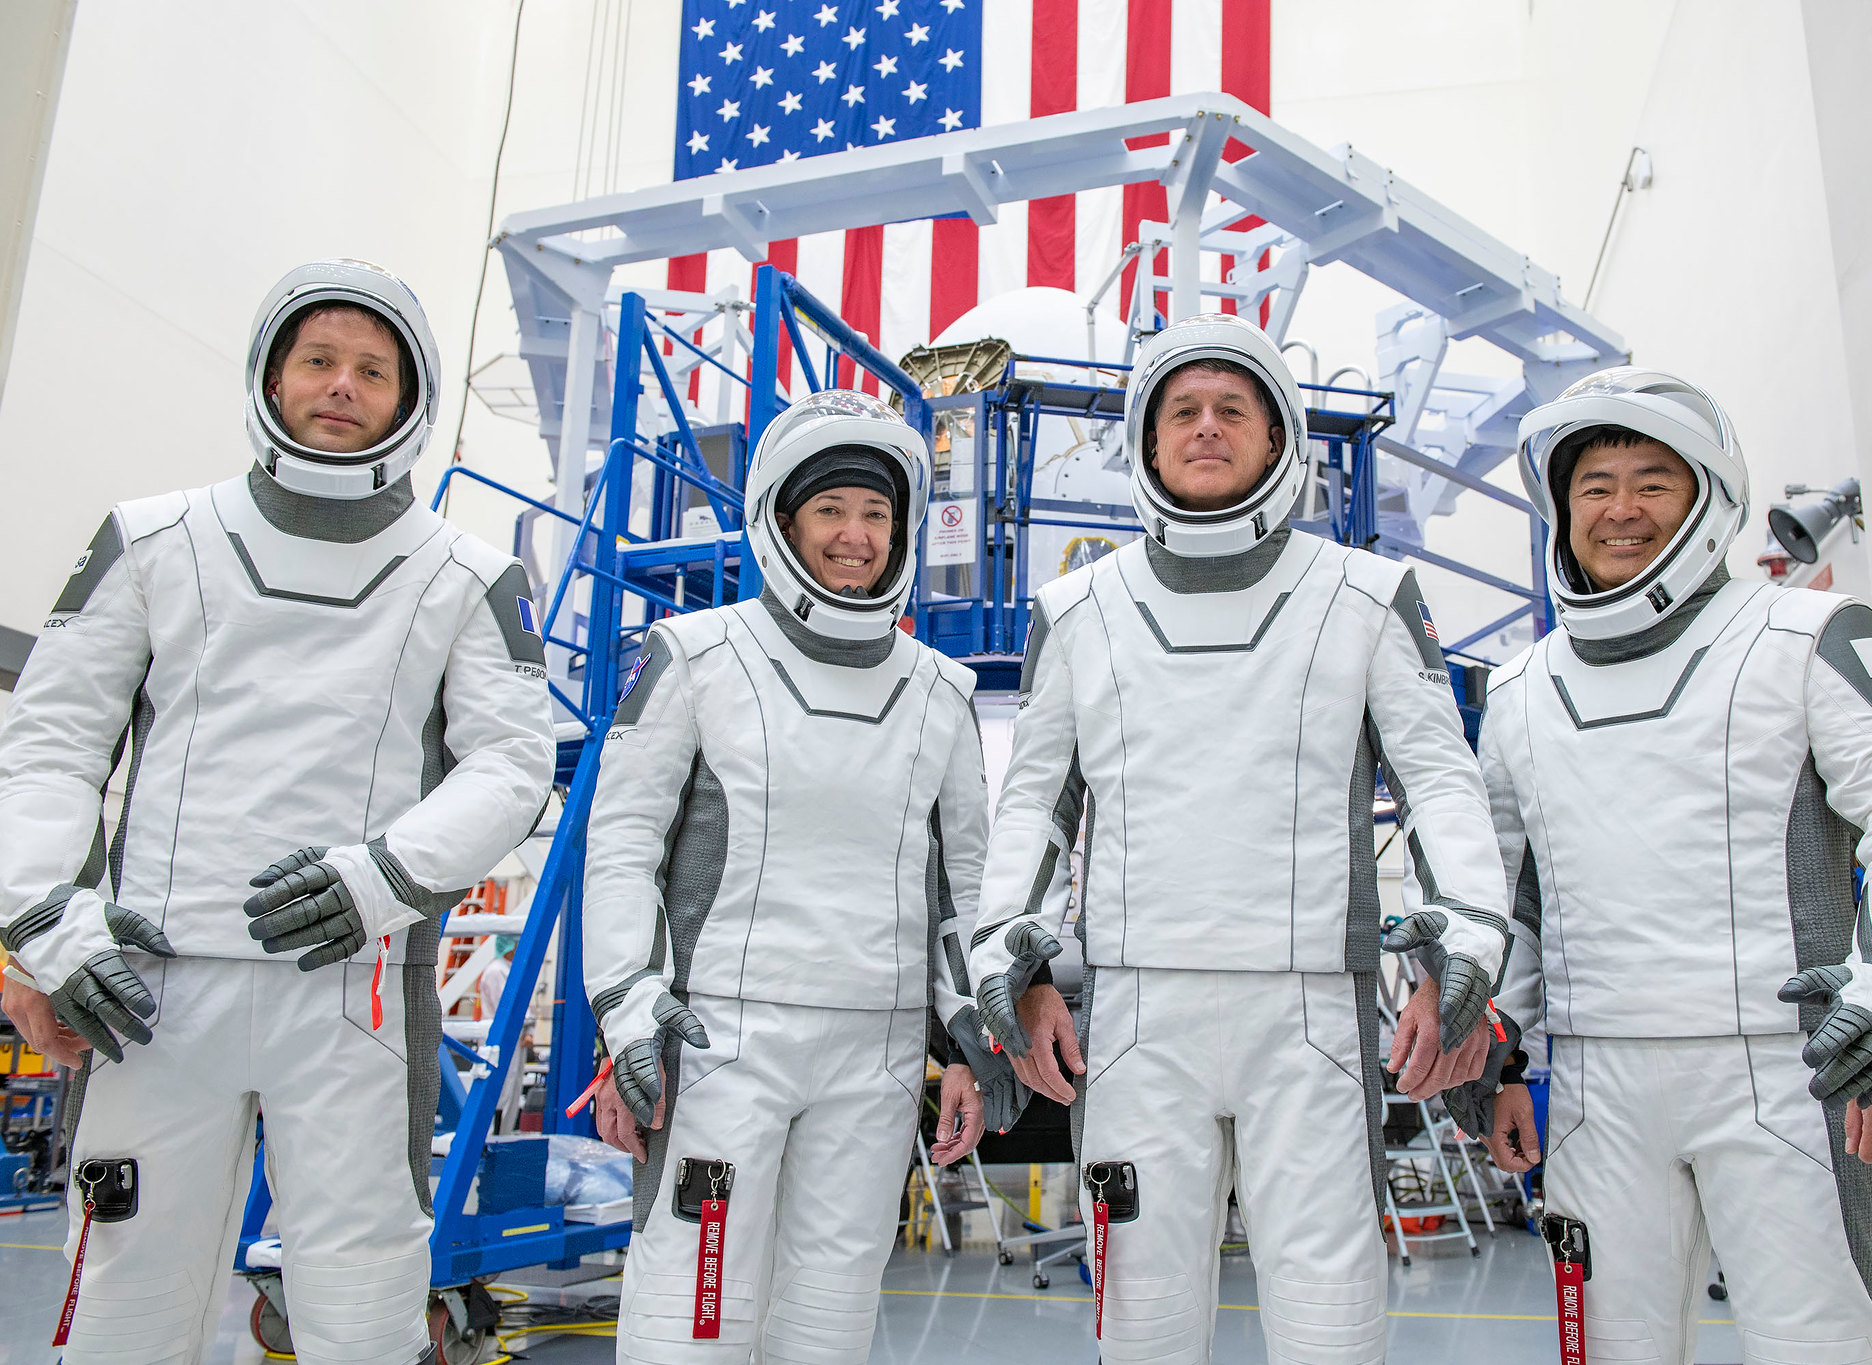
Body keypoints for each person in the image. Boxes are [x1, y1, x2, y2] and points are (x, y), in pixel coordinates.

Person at [0, 259, 556, 1364]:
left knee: (363, 1306)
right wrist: (40, 927)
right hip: (149, 991)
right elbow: (52, 746)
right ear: (271, 372)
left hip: (354, 988)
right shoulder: (152, 539)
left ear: (408, 398)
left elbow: (509, 766)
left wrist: (378, 877)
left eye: (371, 369)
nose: (341, 386)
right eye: (318, 360)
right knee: (121, 1296)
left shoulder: (465, 576)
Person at [967, 313, 1511, 1365]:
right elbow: (1033, 808)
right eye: (1182, 411)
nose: (1205, 428)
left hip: (1310, 1015)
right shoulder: (1075, 611)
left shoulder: (1365, 595)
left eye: (1232, 410)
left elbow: (1442, 781)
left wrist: (1469, 949)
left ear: (1275, 442)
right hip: (1136, 1020)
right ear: (1146, 440)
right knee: (1139, 1326)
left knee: (1328, 1324)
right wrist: (1011, 960)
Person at [1477, 368, 1872, 1363]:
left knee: (1818, 1344)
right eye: (1594, 486)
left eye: (1651, 482)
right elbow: (1505, 894)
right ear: (1559, 511)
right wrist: (1500, 1054)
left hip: (1786, 1072)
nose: (1620, 510)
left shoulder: (1807, 636)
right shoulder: (1519, 688)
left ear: (1705, 496)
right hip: (1590, 1084)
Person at [580, 389, 1016, 1363]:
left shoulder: (941, 690)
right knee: (691, 1326)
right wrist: (627, 1006)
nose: (855, 537)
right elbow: (621, 848)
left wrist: (975, 1038)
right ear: (782, 520)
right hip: (721, 1045)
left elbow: (966, 881)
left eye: (875, 513)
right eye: (829, 511)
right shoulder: (694, 656)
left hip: (878, 1054)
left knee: (826, 1329)